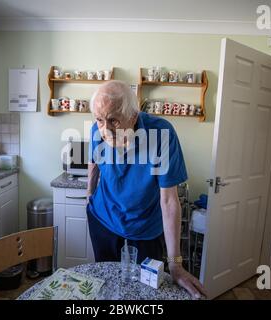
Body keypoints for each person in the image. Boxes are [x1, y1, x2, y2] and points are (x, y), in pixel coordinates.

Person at [86, 80, 206, 299]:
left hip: (146, 228)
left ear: (133, 117)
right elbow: (94, 162)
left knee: (146, 291)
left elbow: (169, 201)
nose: (105, 130)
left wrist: (176, 265)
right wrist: (89, 196)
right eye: (100, 120)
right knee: (107, 285)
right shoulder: (98, 129)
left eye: (113, 120)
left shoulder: (162, 134)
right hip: (103, 220)